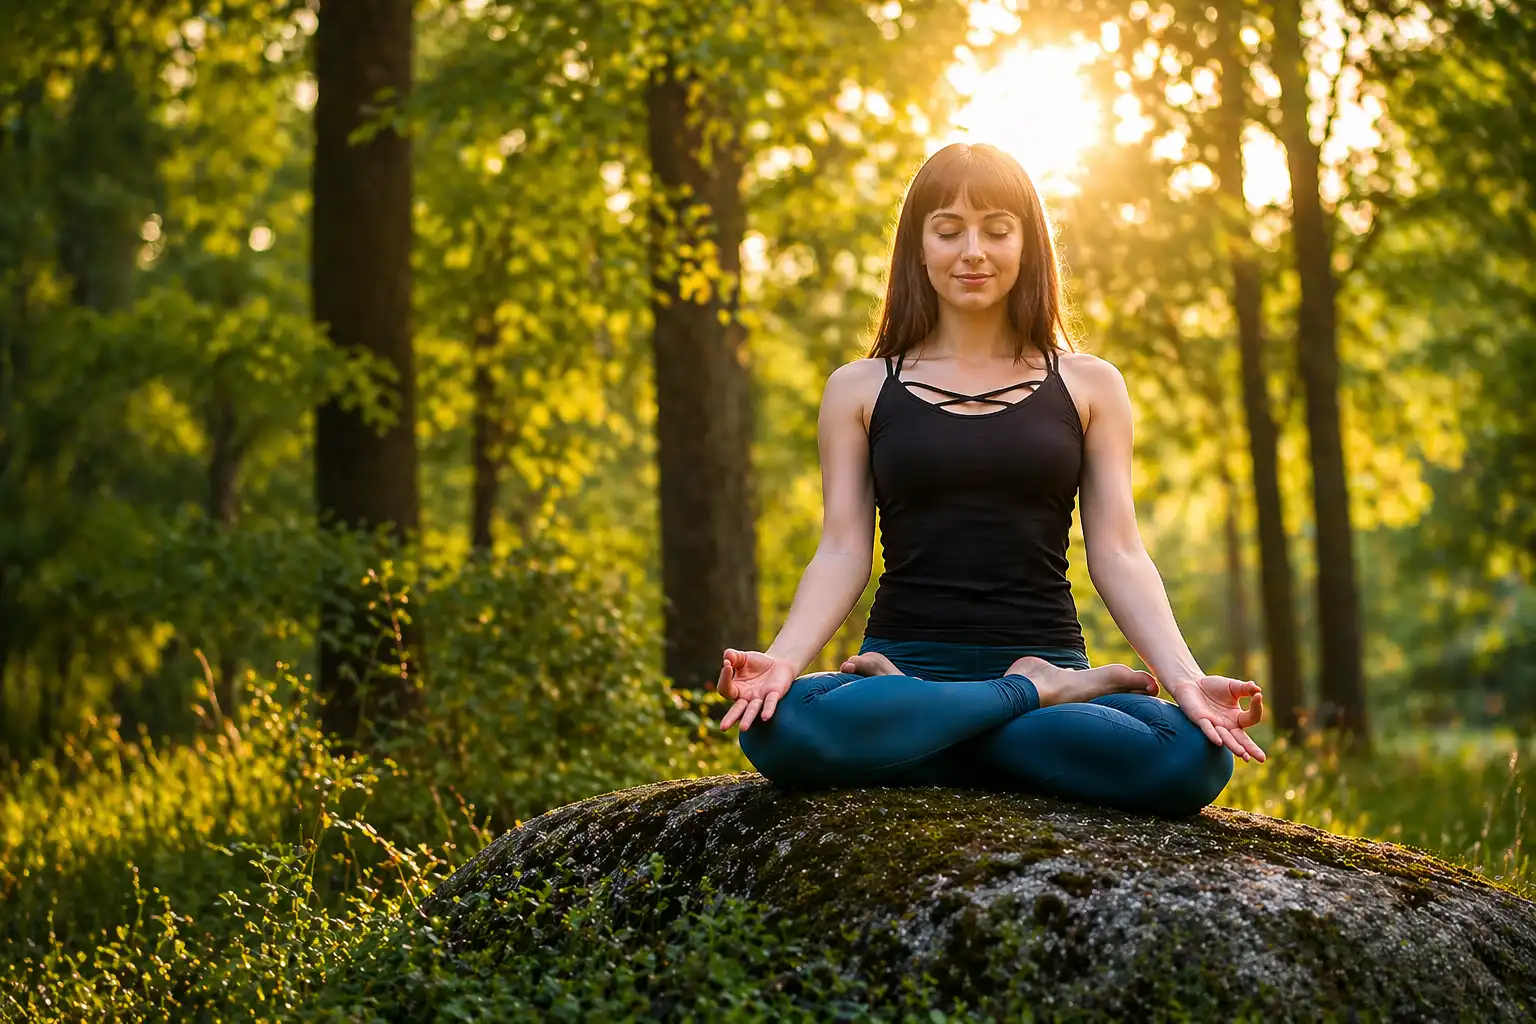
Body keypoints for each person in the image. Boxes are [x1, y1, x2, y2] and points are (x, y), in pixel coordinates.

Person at [710, 143, 1267, 817]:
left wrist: (1185, 678)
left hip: (1017, 660)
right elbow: (843, 549)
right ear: (918, 247)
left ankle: (930, 731)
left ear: (1028, 244)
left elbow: (1118, 551)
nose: (973, 250)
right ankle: (1027, 699)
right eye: (948, 230)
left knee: (1187, 753)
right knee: (778, 724)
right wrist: (784, 660)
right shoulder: (858, 389)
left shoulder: (1090, 385)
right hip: (907, 667)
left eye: (997, 230)